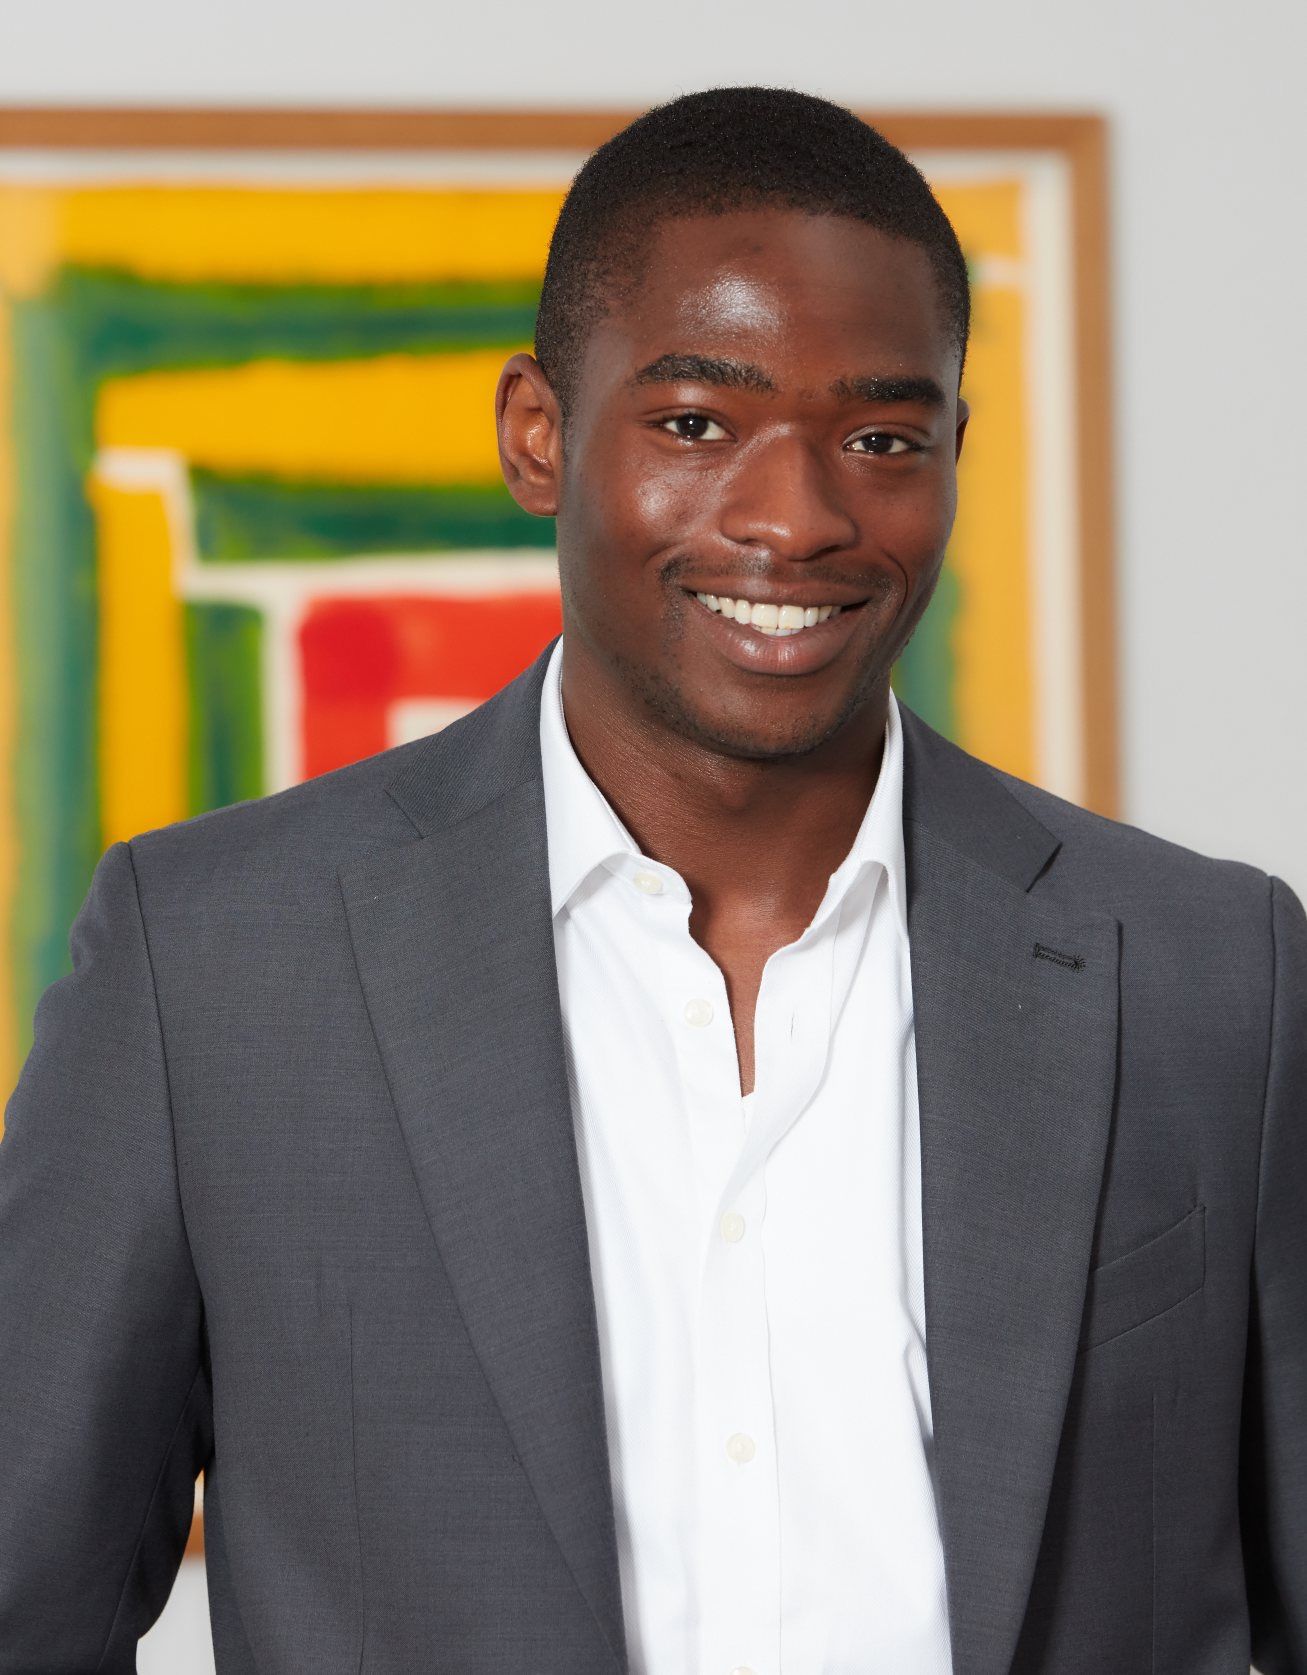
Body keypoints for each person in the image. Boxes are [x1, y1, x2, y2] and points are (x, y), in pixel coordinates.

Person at [0, 84, 1302, 1675]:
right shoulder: (212, 969)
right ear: (538, 436)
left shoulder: (1211, 972)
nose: (796, 515)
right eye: (697, 423)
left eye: (881, 438)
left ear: (958, 451)